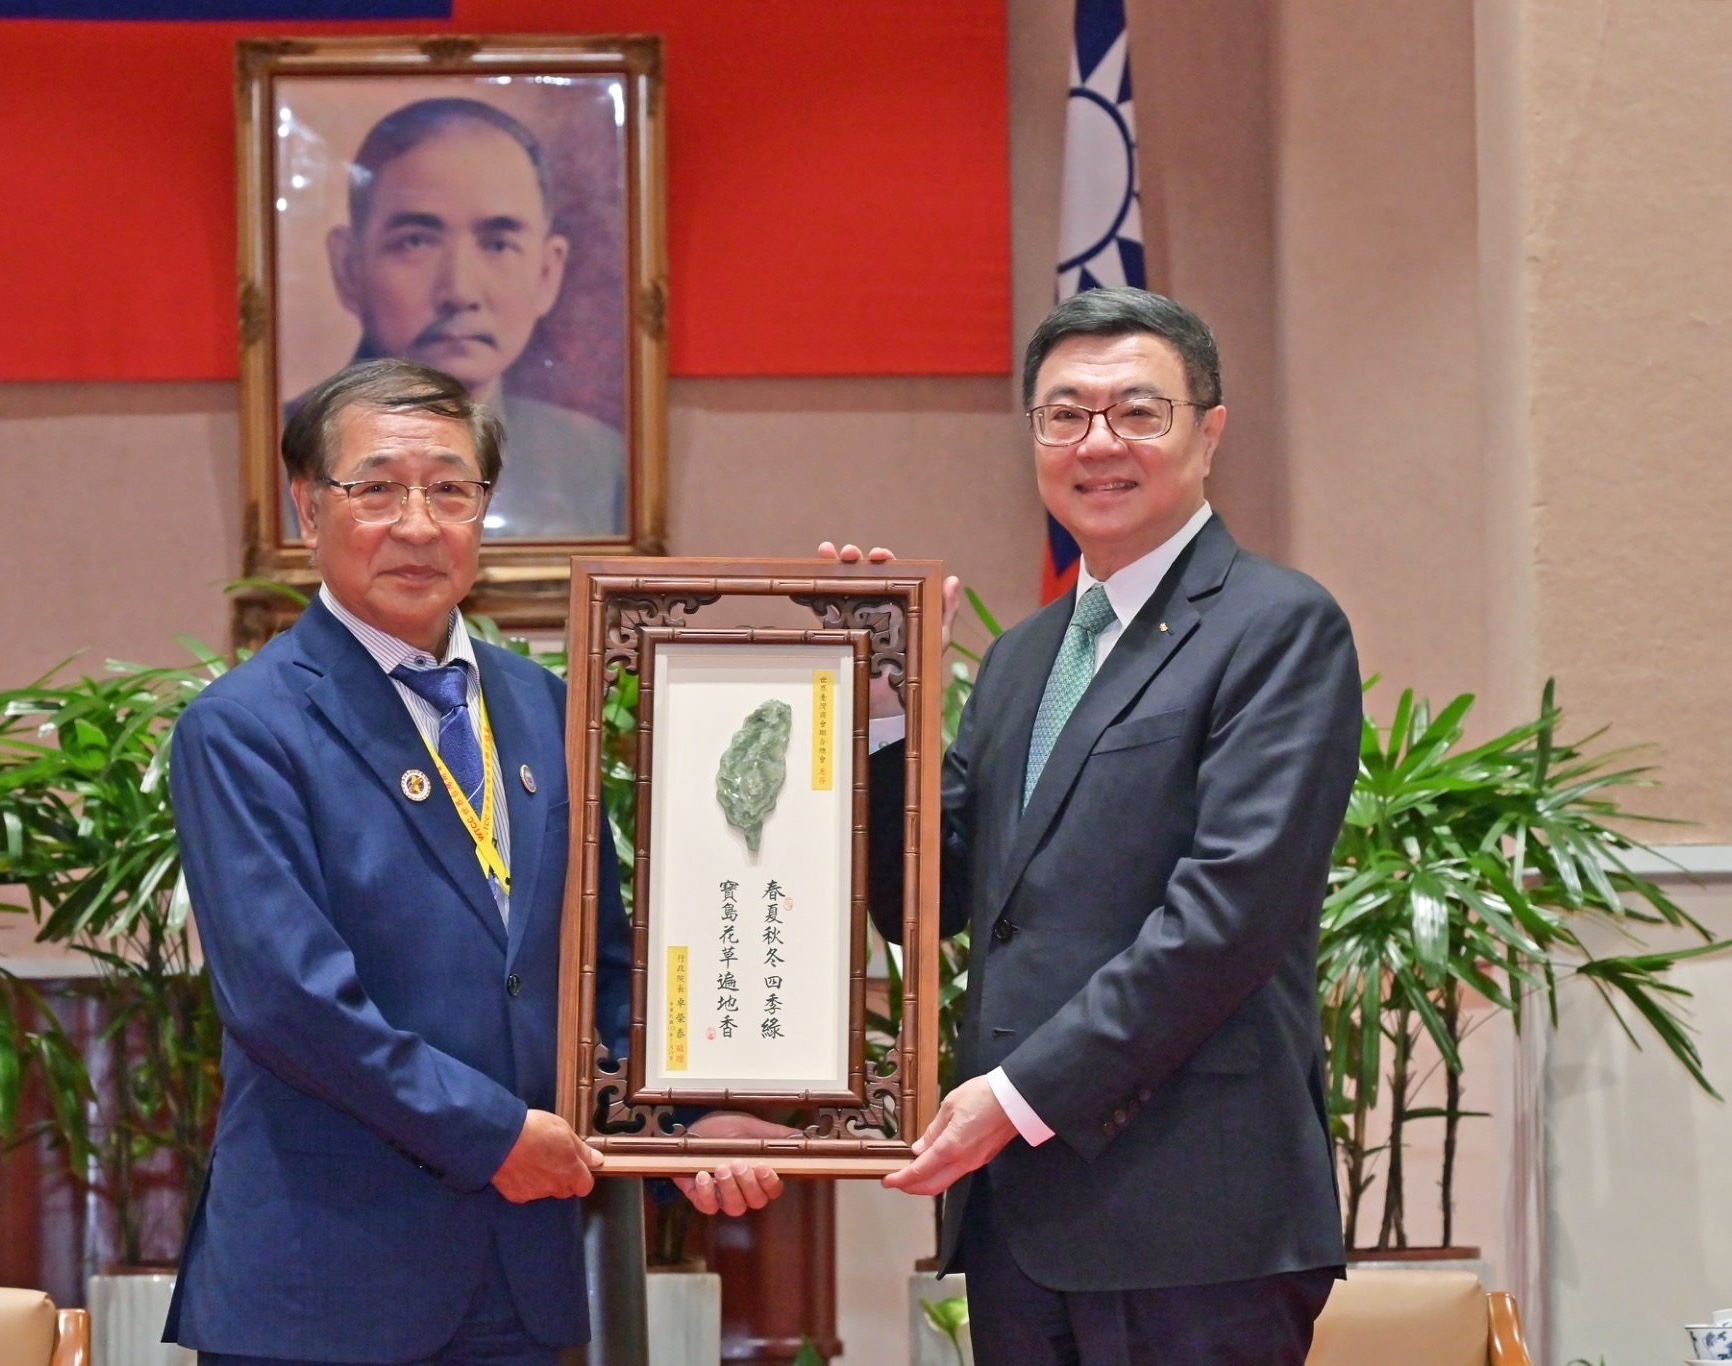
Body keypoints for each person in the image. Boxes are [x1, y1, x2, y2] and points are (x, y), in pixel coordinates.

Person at [166, 359, 778, 1365]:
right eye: (376, 489)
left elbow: (596, 966)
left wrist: (682, 1124)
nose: (417, 524)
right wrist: (490, 1135)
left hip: (519, 1279)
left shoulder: (539, 705)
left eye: (449, 489)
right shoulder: (243, 728)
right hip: (328, 1285)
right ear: (310, 508)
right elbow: (288, 1001)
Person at [842, 287, 1362, 1365]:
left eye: (1136, 411)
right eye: (1064, 414)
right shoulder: (1022, 656)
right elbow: (925, 902)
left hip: (1193, 1222)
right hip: (1021, 1224)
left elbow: (1226, 919)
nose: (1097, 443)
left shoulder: (1276, 626)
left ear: (1208, 433)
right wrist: (893, 707)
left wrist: (1015, 1096)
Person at [321, 97, 627, 539]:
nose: (460, 292)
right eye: (416, 242)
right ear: (349, 268)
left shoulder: (595, 462)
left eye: (498, 245)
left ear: (548, 273)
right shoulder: (292, 456)